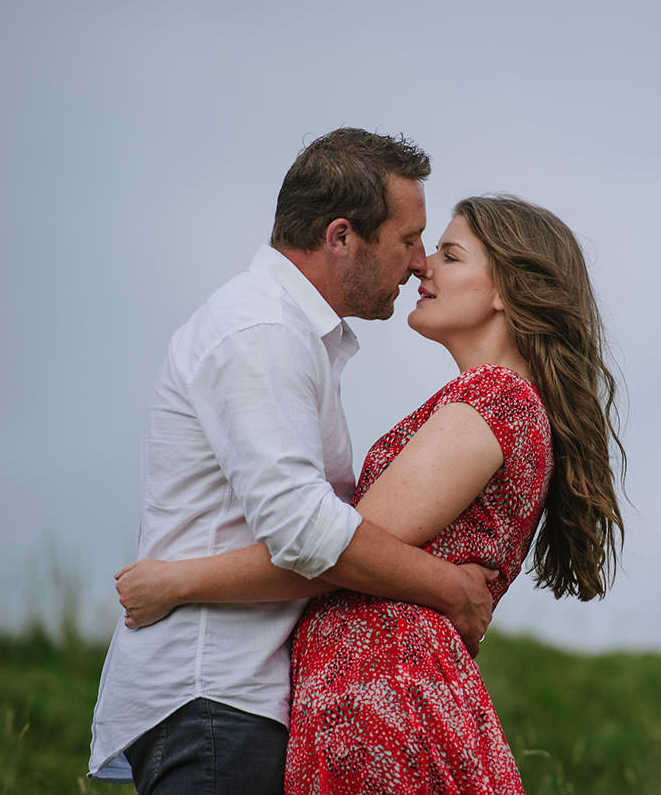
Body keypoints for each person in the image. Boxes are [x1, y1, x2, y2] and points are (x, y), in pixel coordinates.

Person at [114, 195, 626, 794]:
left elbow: (332, 554)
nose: (423, 265)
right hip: (377, 694)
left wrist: (176, 582)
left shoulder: (493, 403)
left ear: (505, 292)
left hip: (385, 699)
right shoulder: (497, 404)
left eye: (450, 254)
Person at [88, 129, 498, 792]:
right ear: (341, 236)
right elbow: (307, 533)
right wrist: (448, 587)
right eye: (408, 239)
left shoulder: (290, 336)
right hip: (218, 699)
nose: (419, 262)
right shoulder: (261, 331)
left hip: (239, 705)